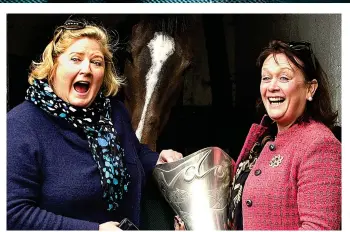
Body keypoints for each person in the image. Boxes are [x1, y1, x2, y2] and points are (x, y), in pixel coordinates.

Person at [7, 19, 183, 230]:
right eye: (76, 59)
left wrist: (157, 160)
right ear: (53, 66)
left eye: (96, 62)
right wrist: (93, 230)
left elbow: (134, 153)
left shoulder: (114, 113)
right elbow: (12, 214)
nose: (87, 69)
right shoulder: (21, 125)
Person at [176, 40, 341, 230]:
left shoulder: (320, 144)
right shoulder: (263, 142)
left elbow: (319, 228)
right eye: (266, 78)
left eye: (284, 78)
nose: (272, 86)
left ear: (310, 88)